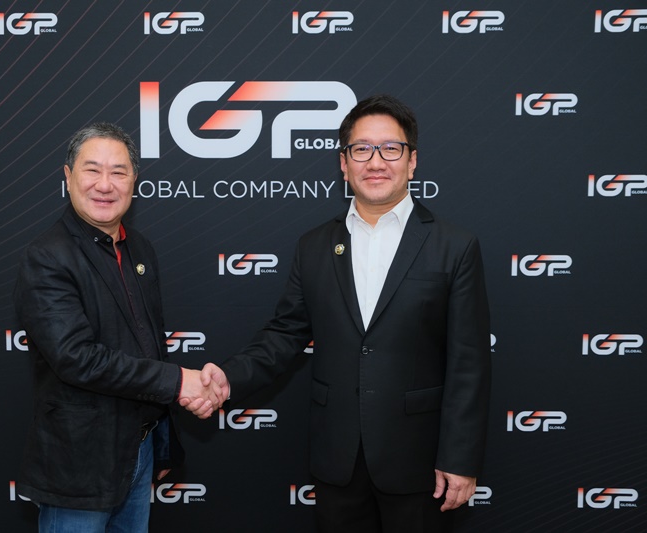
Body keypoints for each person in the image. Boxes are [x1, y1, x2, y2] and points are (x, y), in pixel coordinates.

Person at [184, 95, 492, 532]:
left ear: (412, 161)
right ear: (343, 164)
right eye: (361, 149)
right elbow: (284, 334)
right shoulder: (314, 246)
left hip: (419, 462)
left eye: (391, 148)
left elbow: (469, 363)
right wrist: (228, 379)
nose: (376, 161)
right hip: (337, 460)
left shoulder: (455, 246)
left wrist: (460, 458)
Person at [13, 122, 224, 533]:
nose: (105, 185)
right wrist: (180, 382)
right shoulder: (47, 257)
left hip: (138, 450)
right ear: (68, 176)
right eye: (92, 170)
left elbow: (150, 346)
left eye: (118, 172)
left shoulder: (139, 248)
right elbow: (77, 359)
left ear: (134, 180)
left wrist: (161, 444)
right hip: (80, 464)